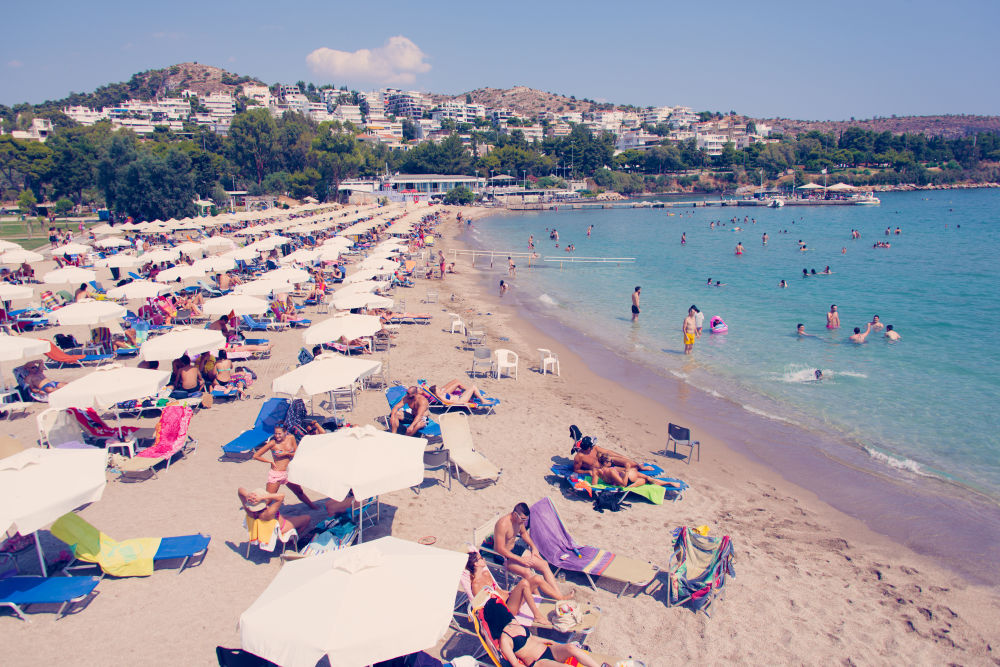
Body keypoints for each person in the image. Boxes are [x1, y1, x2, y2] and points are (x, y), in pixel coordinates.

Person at [480, 594, 604, 667]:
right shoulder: (504, 639)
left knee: (571, 648)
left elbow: (533, 638)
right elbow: (515, 664)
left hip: (549, 650)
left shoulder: (514, 623)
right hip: (539, 662)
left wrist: (552, 642)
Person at [493, 504, 572, 600]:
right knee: (527, 573)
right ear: (514, 514)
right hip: (503, 556)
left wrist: (534, 547)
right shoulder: (502, 524)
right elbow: (499, 549)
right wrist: (520, 560)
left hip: (515, 550)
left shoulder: (519, 521)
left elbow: (523, 533)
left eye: (525, 519)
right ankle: (538, 599)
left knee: (544, 564)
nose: (523, 522)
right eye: (522, 519)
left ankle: (559, 596)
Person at [466, 550, 548, 626]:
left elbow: (498, 590)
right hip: (506, 610)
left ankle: (560, 598)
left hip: (510, 600)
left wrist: (510, 593)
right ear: (476, 564)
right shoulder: (475, 586)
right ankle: (537, 616)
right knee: (524, 583)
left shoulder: (486, 573)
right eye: (480, 558)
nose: (483, 558)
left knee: (536, 578)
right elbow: (485, 607)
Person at [252, 425, 319, 509]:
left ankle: (313, 507)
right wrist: (269, 461)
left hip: (288, 472)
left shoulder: (291, 438)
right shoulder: (272, 443)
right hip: (276, 474)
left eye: (279, 434)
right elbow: (256, 456)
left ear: (285, 432)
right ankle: (256, 512)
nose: (277, 436)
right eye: (275, 434)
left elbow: (298, 453)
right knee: (268, 499)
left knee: (299, 492)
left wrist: (287, 454)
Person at [238, 487, 311, 542]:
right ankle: (293, 541)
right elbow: (281, 496)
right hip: (280, 528)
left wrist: (248, 495)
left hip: (261, 529)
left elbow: (240, 490)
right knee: (307, 518)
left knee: (289, 517)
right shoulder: (268, 513)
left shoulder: (248, 510)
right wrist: (262, 497)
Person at [591, 453, 681, 488]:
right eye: (611, 461)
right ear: (606, 462)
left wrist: (605, 484)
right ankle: (668, 483)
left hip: (619, 479)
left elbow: (594, 485)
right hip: (627, 481)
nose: (612, 462)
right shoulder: (610, 471)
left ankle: (664, 482)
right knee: (645, 479)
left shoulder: (596, 470)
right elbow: (623, 484)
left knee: (644, 477)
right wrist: (626, 470)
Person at [572, 435, 652, 473]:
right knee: (629, 470)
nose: (593, 446)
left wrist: (622, 457)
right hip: (603, 469)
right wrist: (588, 472)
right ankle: (637, 469)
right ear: (588, 447)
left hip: (608, 461)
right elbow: (576, 470)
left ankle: (640, 467)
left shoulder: (595, 448)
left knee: (630, 463)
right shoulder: (579, 457)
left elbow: (608, 452)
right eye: (591, 445)